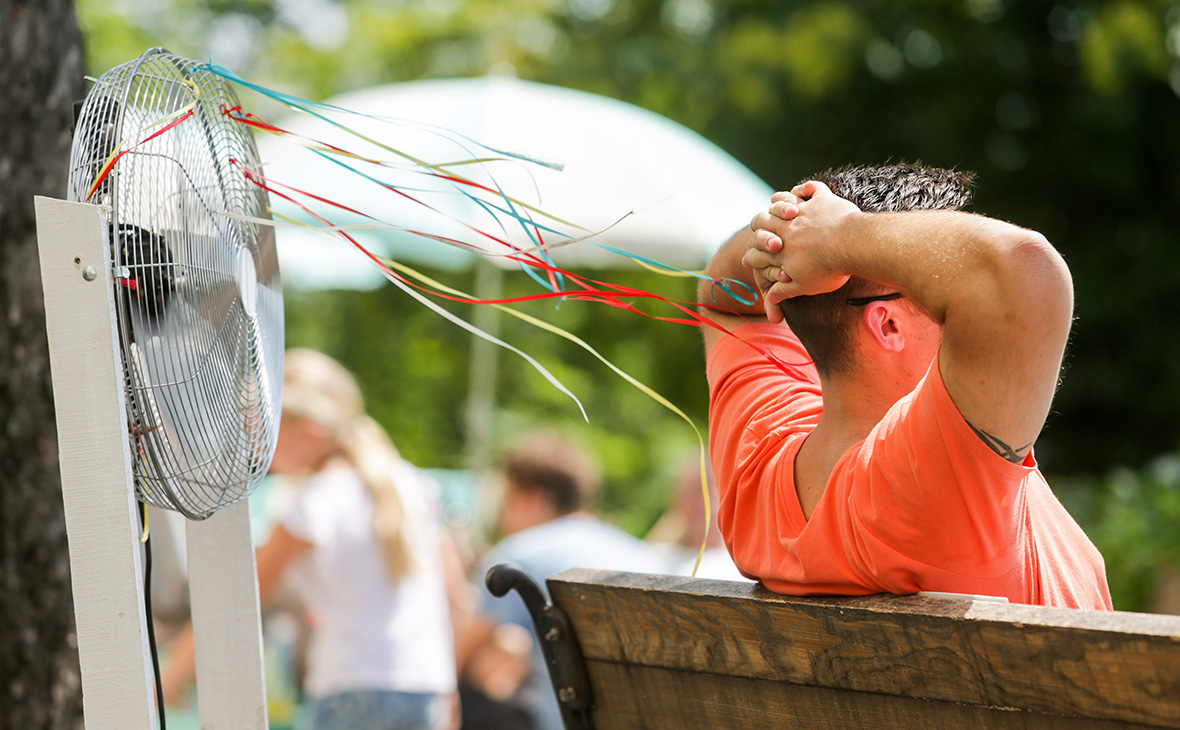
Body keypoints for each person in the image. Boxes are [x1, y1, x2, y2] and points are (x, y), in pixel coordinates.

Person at [699, 163, 1111, 610]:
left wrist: (789, 229)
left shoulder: (759, 457)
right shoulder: (930, 478)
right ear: (889, 324)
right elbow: (1024, 269)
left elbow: (724, 300)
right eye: (937, 283)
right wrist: (841, 235)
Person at [161, 349, 458, 730]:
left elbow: (242, 600)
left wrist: (167, 681)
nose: (255, 443)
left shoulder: (314, 503)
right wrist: (450, 694)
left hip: (351, 689)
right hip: (426, 689)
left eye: (264, 428)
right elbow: (452, 599)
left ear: (310, 432)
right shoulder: (414, 485)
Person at [474, 430, 665, 730]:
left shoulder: (519, 555)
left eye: (508, 502)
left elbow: (458, 657)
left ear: (532, 498)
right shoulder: (643, 555)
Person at [644, 455, 748, 581]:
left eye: (704, 491)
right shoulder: (655, 556)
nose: (698, 504)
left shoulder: (742, 565)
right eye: (689, 493)